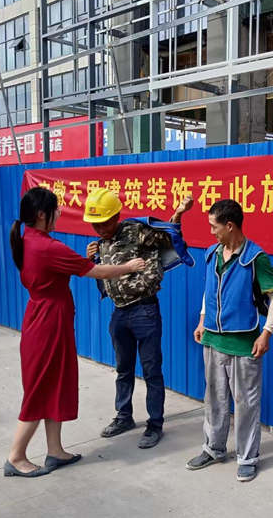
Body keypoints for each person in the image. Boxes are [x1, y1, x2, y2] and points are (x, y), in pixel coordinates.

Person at [5, 187, 145, 477]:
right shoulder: (47, 247)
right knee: (40, 389)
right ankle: (16, 457)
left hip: (43, 319)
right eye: (55, 210)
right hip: (49, 325)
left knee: (54, 384)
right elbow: (95, 272)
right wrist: (128, 266)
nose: (59, 213)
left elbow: (67, 266)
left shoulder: (29, 240)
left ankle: (55, 450)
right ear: (41, 215)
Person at [83, 188, 194, 449]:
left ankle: (155, 424)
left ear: (116, 216)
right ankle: (124, 416)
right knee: (123, 369)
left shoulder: (137, 231)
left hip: (144, 310)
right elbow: (103, 273)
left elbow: (169, 237)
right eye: (95, 225)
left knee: (151, 370)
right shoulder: (102, 242)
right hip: (119, 312)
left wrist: (179, 213)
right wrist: (91, 259)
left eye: (104, 223)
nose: (100, 229)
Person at [186, 199, 273, 482]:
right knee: (214, 399)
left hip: (244, 344)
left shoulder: (255, 258)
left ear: (230, 226)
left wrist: (267, 333)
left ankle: (247, 458)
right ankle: (213, 448)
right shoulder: (211, 254)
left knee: (245, 404)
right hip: (212, 340)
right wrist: (202, 320)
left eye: (214, 226)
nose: (211, 232)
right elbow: (209, 291)